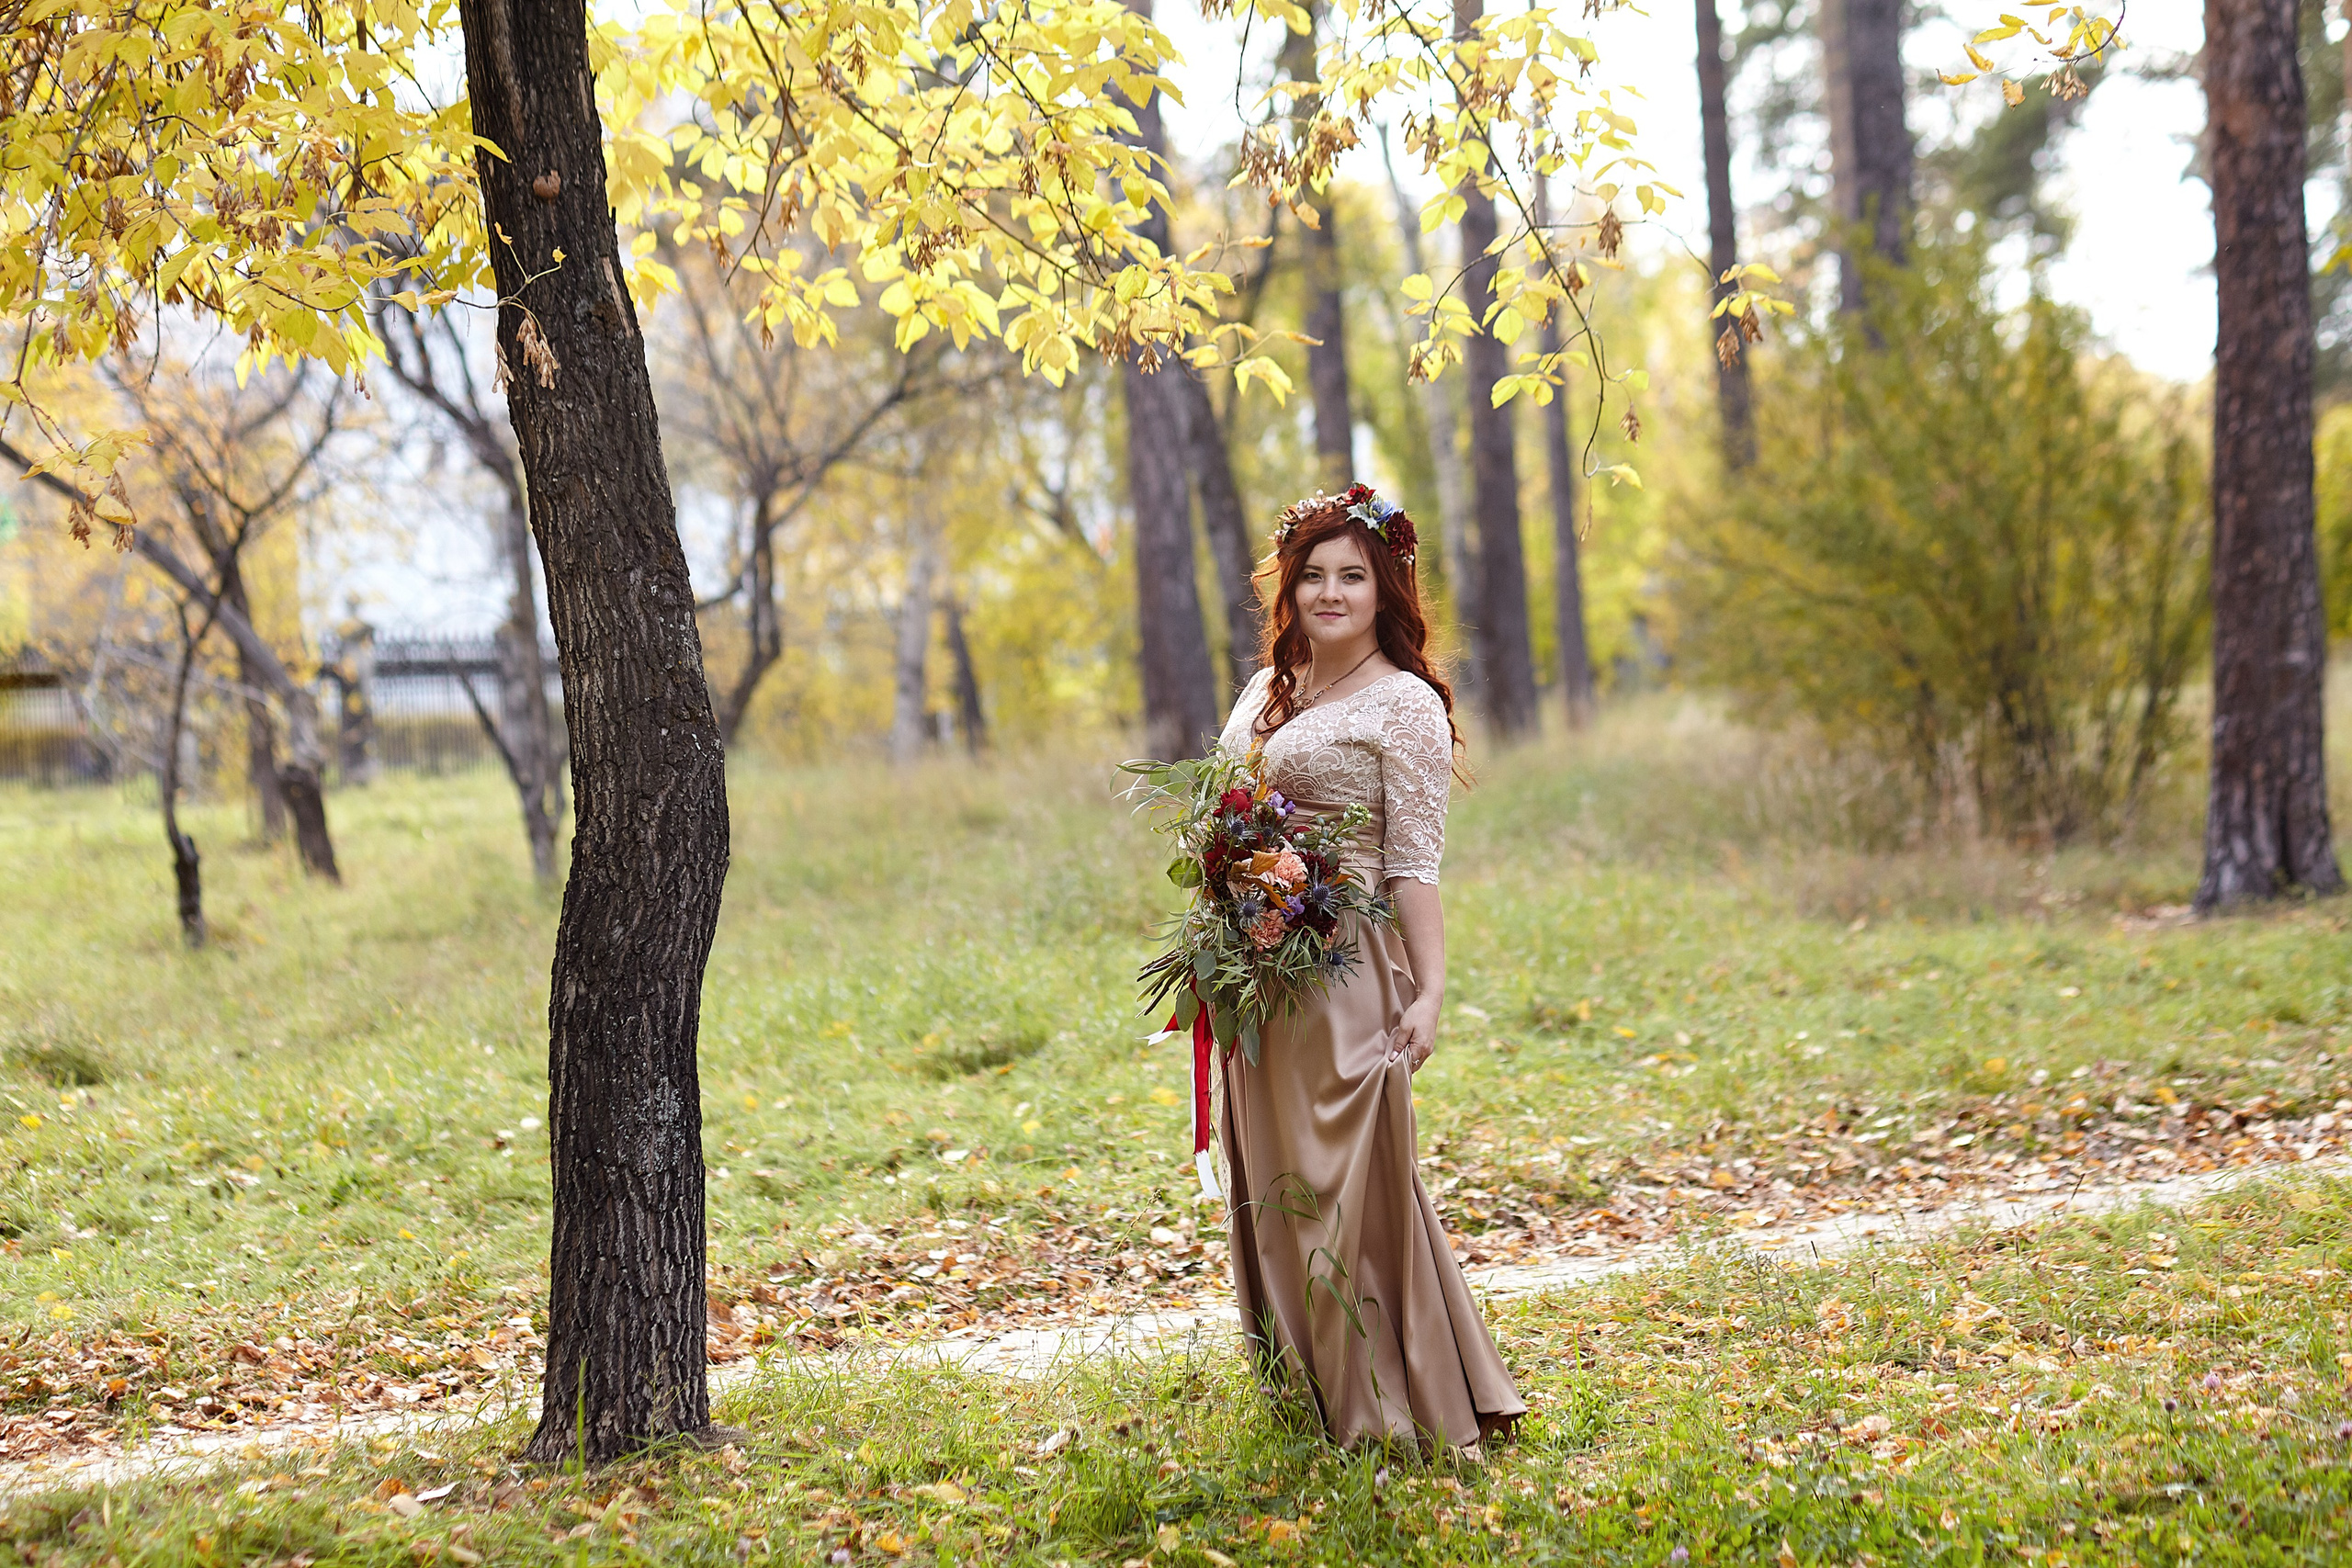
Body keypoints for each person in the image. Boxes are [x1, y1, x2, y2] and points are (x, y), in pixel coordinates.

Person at [1213, 483, 1525, 1454]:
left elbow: (1412, 868)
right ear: (1290, 588)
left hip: (1347, 975)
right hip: (1256, 977)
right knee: (1270, 1185)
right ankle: (1306, 1398)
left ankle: (1392, 1405)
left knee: (1345, 1192)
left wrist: (1430, 992)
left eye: (1352, 575)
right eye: (1313, 575)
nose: (1331, 592)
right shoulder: (1266, 691)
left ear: (1387, 586)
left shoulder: (1405, 706)